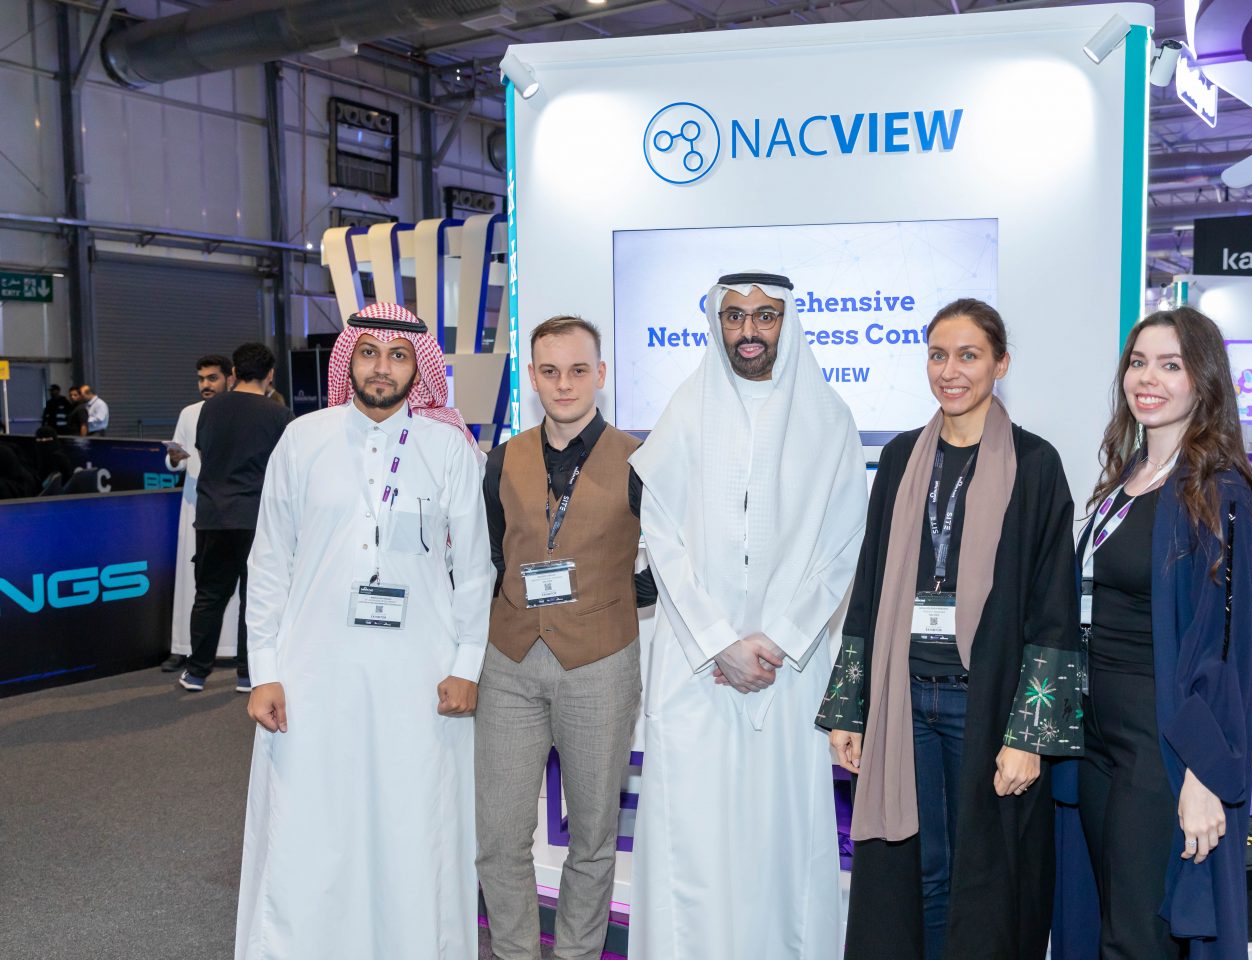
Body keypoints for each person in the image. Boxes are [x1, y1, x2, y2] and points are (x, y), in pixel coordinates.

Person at [819, 299, 1081, 960]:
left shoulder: (1035, 464)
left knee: (985, 875)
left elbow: (1054, 609)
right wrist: (849, 708)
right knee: (919, 871)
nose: (950, 370)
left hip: (985, 704)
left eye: (968, 355)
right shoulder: (902, 457)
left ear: (1001, 363)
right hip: (904, 700)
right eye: (938, 355)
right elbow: (870, 584)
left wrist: (1029, 736)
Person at [235, 302, 492, 960]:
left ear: (418, 369)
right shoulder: (303, 440)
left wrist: (466, 665)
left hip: (421, 674)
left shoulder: (448, 449)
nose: (383, 367)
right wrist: (264, 672)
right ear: (348, 360)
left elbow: (475, 568)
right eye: (370, 353)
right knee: (312, 821)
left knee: (414, 823)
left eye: (399, 355)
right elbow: (268, 563)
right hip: (313, 672)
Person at [627, 272, 866, 960]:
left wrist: (777, 640)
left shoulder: (829, 420)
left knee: (779, 844)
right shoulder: (685, 412)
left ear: (786, 322)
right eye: (734, 316)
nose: (749, 330)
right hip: (695, 670)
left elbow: (843, 546)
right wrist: (720, 642)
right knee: (693, 843)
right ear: (717, 322)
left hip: (788, 673)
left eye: (764, 316)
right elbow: (660, 540)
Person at [1063, 306, 1252, 960]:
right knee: (1103, 919)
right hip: (1095, 735)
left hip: (1158, 742)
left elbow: (1223, 651)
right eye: (1139, 362)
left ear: (1203, 381)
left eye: (1170, 365)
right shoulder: (1124, 481)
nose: (1147, 378)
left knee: (1137, 937)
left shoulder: (1217, 493)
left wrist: (1203, 774)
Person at [478, 315, 653, 960]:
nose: (564, 384)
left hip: (600, 665)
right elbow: (493, 554)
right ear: (532, 376)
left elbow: (672, 560)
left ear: (600, 374)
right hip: (510, 663)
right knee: (499, 836)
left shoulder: (640, 460)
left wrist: (612, 597)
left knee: (593, 837)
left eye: (578, 370)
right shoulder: (504, 458)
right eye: (549, 371)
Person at [177, 343, 293, 693]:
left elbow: (201, 452)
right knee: (254, 598)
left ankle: (197, 672)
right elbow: (287, 469)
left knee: (208, 596)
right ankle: (248, 674)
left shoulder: (209, 409)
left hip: (212, 516)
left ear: (233, 373)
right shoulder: (279, 415)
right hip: (258, 519)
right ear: (270, 374)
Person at [160, 354, 237, 673]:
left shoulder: (241, 411)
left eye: (212, 378)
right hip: (193, 504)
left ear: (230, 378)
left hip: (232, 508)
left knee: (229, 582)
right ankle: (184, 647)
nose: (205, 384)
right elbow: (174, 461)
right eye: (201, 379)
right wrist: (174, 458)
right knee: (191, 581)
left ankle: (231, 648)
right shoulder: (188, 413)